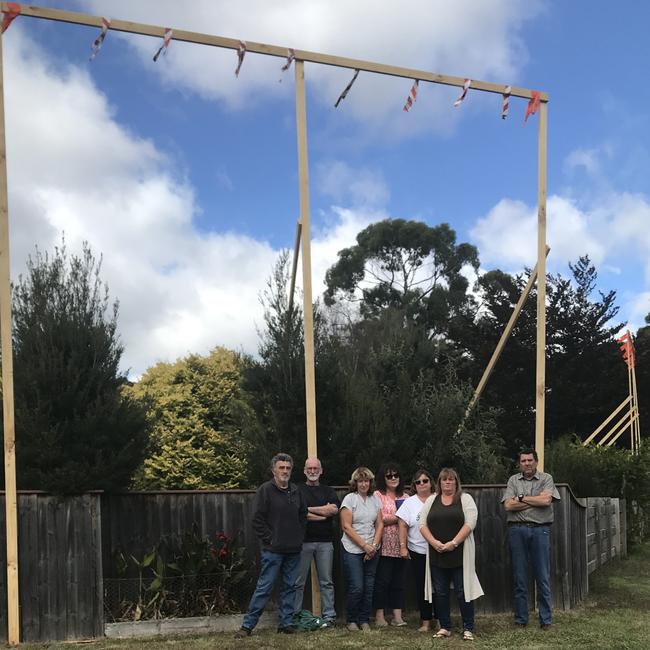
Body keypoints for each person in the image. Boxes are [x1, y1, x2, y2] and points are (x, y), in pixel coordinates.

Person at [235, 453, 307, 638]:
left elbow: (302, 515)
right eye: (281, 468)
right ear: (274, 470)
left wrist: (299, 536)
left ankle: (286, 624)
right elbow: (257, 519)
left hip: (293, 549)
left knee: (290, 587)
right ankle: (247, 626)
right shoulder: (265, 490)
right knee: (264, 587)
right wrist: (270, 539)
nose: (285, 471)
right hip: (273, 550)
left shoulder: (296, 490)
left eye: (288, 468)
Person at [419, 468, 483, 641]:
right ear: (439, 483)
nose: (447, 482)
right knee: (440, 592)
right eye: (444, 480)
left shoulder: (465, 499)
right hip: (437, 553)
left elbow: (470, 523)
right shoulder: (432, 499)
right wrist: (434, 543)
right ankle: (445, 627)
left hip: (460, 554)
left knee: (463, 591)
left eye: (451, 479)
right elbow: (422, 524)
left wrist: (453, 543)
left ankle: (468, 627)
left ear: (456, 481)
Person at [502, 449, 560, 630]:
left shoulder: (546, 478)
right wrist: (534, 499)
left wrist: (520, 498)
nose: (526, 463)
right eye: (523, 461)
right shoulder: (513, 480)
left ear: (536, 461)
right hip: (517, 531)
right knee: (520, 577)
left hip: (539, 530)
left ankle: (546, 620)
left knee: (542, 576)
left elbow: (546, 502)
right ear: (520, 463)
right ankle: (521, 619)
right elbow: (508, 505)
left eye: (530, 460)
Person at [293, 457, 340, 626]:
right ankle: (295, 616)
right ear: (304, 470)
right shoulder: (297, 489)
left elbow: (333, 510)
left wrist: (307, 510)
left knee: (326, 581)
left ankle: (329, 617)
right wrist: (322, 513)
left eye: (315, 468)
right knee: (298, 582)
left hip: (325, 542)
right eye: (309, 468)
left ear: (321, 471)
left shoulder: (328, 490)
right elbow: (298, 512)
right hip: (303, 542)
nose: (312, 471)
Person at [340, 467, 384, 632]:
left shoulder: (375, 499)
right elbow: (346, 526)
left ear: (370, 482)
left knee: (369, 586)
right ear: (355, 483)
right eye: (360, 481)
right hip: (352, 549)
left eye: (366, 481)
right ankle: (351, 619)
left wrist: (373, 546)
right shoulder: (349, 499)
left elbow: (379, 523)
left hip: (373, 548)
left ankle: (364, 619)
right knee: (357, 586)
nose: (364, 484)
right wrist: (364, 546)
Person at [397, 468, 437, 632]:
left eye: (425, 481)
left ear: (431, 483)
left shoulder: (438, 499)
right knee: (422, 587)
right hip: (417, 550)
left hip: (438, 550)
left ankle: (441, 619)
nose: (422, 484)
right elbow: (402, 524)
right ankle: (426, 621)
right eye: (418, 482)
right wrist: (402, 546)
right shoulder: (410, 502)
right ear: (414, 485)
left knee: (439, 587)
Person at [373, 462, 409, 627]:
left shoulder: (406, 497)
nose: (393, 478)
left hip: (402, 546)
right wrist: (400, 516)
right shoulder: (378, 496)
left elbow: (411, 519)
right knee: (382, 582)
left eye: (396, 475)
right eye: (389, 476)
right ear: (383, 478)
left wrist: (395, 517)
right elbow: (380, 519)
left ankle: (397, 617)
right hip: (384, 546)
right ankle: (379, 617)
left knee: (399, 582)